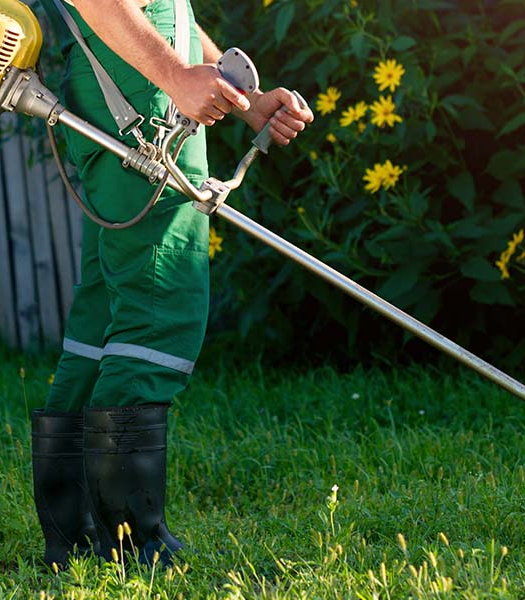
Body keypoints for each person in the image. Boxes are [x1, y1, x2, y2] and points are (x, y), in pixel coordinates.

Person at [30, 0, 313, 569]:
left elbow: (169, 10)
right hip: (138, 88)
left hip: (133, 76)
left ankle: (76, 530)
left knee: (107, 309)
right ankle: (133, 540)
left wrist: (247, 101)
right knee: (159, 301)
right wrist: (174, 75)